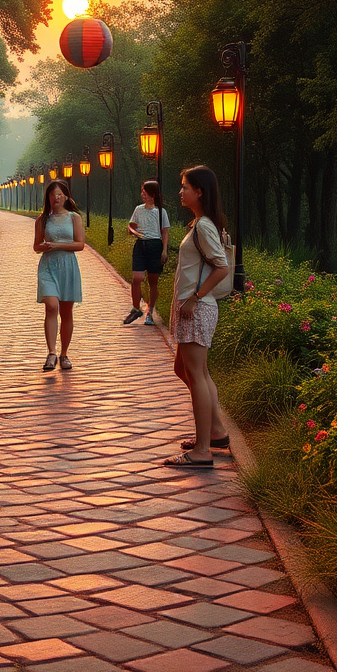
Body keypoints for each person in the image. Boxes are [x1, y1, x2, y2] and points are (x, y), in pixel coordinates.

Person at [165, 165, 232, 467]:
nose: (180, 192)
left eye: (185, 187)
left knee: (196, 374)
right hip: (192, 309)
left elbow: (222, 267)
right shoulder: (199, 224)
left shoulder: (203, 225)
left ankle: (203, 449)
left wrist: (194, 297)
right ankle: (215, 432)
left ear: (200, 191)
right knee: (189, 370)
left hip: (197, 309)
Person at [34, 179, 84, 372]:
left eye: (60, 194)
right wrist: (45, 247)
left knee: (66, 311)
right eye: (53, 195)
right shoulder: (42, 219)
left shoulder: (74, 218)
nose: (57, 198)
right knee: (51, 306)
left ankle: (64, 354)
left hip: (68, 266)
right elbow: (36, 246)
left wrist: (59, 245)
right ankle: (51, 352)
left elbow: (80, 244)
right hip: (48, 265)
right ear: (48, 197)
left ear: (66, 197)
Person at [123, 179, 170, 326]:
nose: (143, 195)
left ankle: (150, 311)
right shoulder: (138, 209)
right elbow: (130, 226)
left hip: (155, 245)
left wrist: (164, 250)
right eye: (142, 192)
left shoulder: (160, 211)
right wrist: (133, 231)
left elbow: (165, 232)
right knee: (137, 278)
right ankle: (136, 308)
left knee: (152, 281)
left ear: (153, 194)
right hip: (140, 245)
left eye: (145, 192)